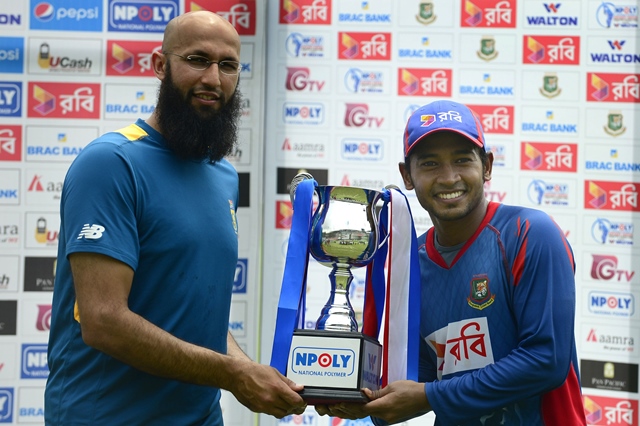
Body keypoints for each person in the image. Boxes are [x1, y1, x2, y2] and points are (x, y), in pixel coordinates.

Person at [44, 11, 307, 425]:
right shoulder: (111, 163)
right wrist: (235, 374)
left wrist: (251, 369)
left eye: (228, 65)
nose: (213, 80)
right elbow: (103, 321)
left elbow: (198, 317)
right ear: (160, 65)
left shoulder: (221, 175)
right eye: (198, 60)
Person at [316, 100, 586, 425]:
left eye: (462, 160)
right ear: (407, 175)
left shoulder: (528, 234)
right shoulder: (411, 265)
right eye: (430, 163)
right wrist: (360, 397)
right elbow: (423, 378)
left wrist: (429, 396)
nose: (448, 177)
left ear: (486, 165)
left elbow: (545, 360)